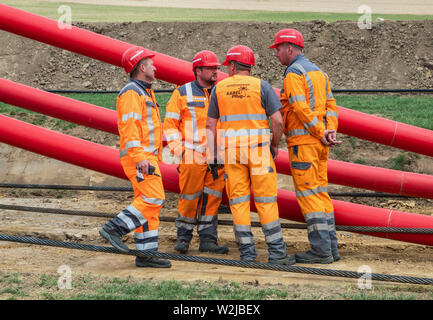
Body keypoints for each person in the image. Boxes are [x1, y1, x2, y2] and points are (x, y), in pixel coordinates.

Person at [206, 45, 295, 265]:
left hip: (232, 154)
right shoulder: (261, 86)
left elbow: (210, 124)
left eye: (227, 65)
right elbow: (277, 121)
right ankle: (276, 253)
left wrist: (213, 154)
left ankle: (247, 253)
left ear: (233, 65)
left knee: (238, 202)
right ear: (249, 66)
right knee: (266, 201)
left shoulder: (219, 88)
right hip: (258, 151)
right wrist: (274, 144)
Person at [269, 28, 341, 264]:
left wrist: (320, 133)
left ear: (290, 49)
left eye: (278, 49)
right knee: (321, 193)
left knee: (309, 195)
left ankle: (320, 251)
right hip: (321, 145)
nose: (276, 54)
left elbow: (300, 108)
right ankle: (331, 248)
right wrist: (329, 131)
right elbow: (331, 105)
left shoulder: (293, 74)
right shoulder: (319, 72)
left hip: (305, 144)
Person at [99, 46, 171, 268]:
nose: (155, 67)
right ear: (142, 67)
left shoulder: (143, 91)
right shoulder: (132, 92)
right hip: (140, 158)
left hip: (147, 157)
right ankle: (114, 228)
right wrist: (140, 158)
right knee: (154, 197)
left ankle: (146, 254)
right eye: (151, 64)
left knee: (147, 204)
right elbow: (129, 129)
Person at [163, 50, 228, 255]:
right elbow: (171, 125)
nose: (216, 71)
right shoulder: (182, 93)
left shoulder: (222, 92)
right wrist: (179, 151)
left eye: (217, 68)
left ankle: (208, 240)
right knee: (189, 198)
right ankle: (183, 238)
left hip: (216, 158)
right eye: (211, 68)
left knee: (213, 198)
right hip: (191, 156)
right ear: (198, 70)